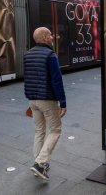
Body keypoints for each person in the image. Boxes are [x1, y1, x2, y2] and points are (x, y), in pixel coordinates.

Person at [24, 27, 67, 180]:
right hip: (47, 99)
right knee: (55, 130)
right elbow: (56, 80)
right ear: (43, 37)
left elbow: (29, 78)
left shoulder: (27, 55)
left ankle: (38, 162)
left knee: (39, 131)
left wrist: (31, 99)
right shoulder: (50, 55)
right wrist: (62, 102)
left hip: (32, 99)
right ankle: (40, 164)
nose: (52, 37)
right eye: (49, 35)